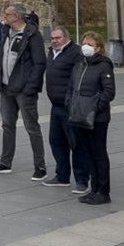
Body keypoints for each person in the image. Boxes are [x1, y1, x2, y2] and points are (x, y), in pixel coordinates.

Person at [0, 3, 47, 178]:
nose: (4, 17)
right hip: (6, 88)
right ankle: (5, 162)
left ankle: (40, 165)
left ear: (17, 16)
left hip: (24, 89)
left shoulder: (32, 35)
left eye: (7, 14)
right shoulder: (6, 32)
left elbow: (39, 63)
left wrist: (31, 87)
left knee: (31, 126)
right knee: (7, 125)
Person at [68, 32, 116, 205]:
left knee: (99, 153)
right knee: (87, 153)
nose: (86, 46)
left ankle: (103, 191)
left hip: (97, 118)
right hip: (79, 115)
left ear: (98, 48)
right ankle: (94, 189)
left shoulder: (104, 66)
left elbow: (109, 92)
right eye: (84, 43)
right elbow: (72, 87)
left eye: (90, 44)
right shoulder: (80, 64)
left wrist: (93, 109)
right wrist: (71, 103)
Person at [42, 27, 87, 192]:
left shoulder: (76, 53)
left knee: (76, 144)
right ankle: (62, 175)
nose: (54, 40)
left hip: (71, 106)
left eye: (58, 38)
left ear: (66, 38)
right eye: (52, 38)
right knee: (56, 142)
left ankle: (82, 179)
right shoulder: (52, 52)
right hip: (56, 105)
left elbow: (80, 77)